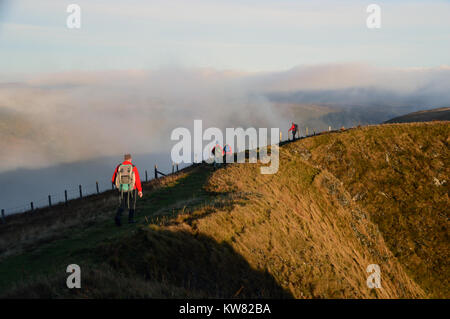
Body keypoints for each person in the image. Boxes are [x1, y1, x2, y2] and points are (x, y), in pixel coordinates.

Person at [111, 154, 143, 226]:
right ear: (130, 159)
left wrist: (119, 186)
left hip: (122, 189)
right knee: (132, 204)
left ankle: (118, 217)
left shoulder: (119, 167)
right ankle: (130, 220)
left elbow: (113, 179)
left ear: (124, 159)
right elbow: (137, 180)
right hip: (132, 188)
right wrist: (140, 190)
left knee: (122, 204)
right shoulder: (133, 167)